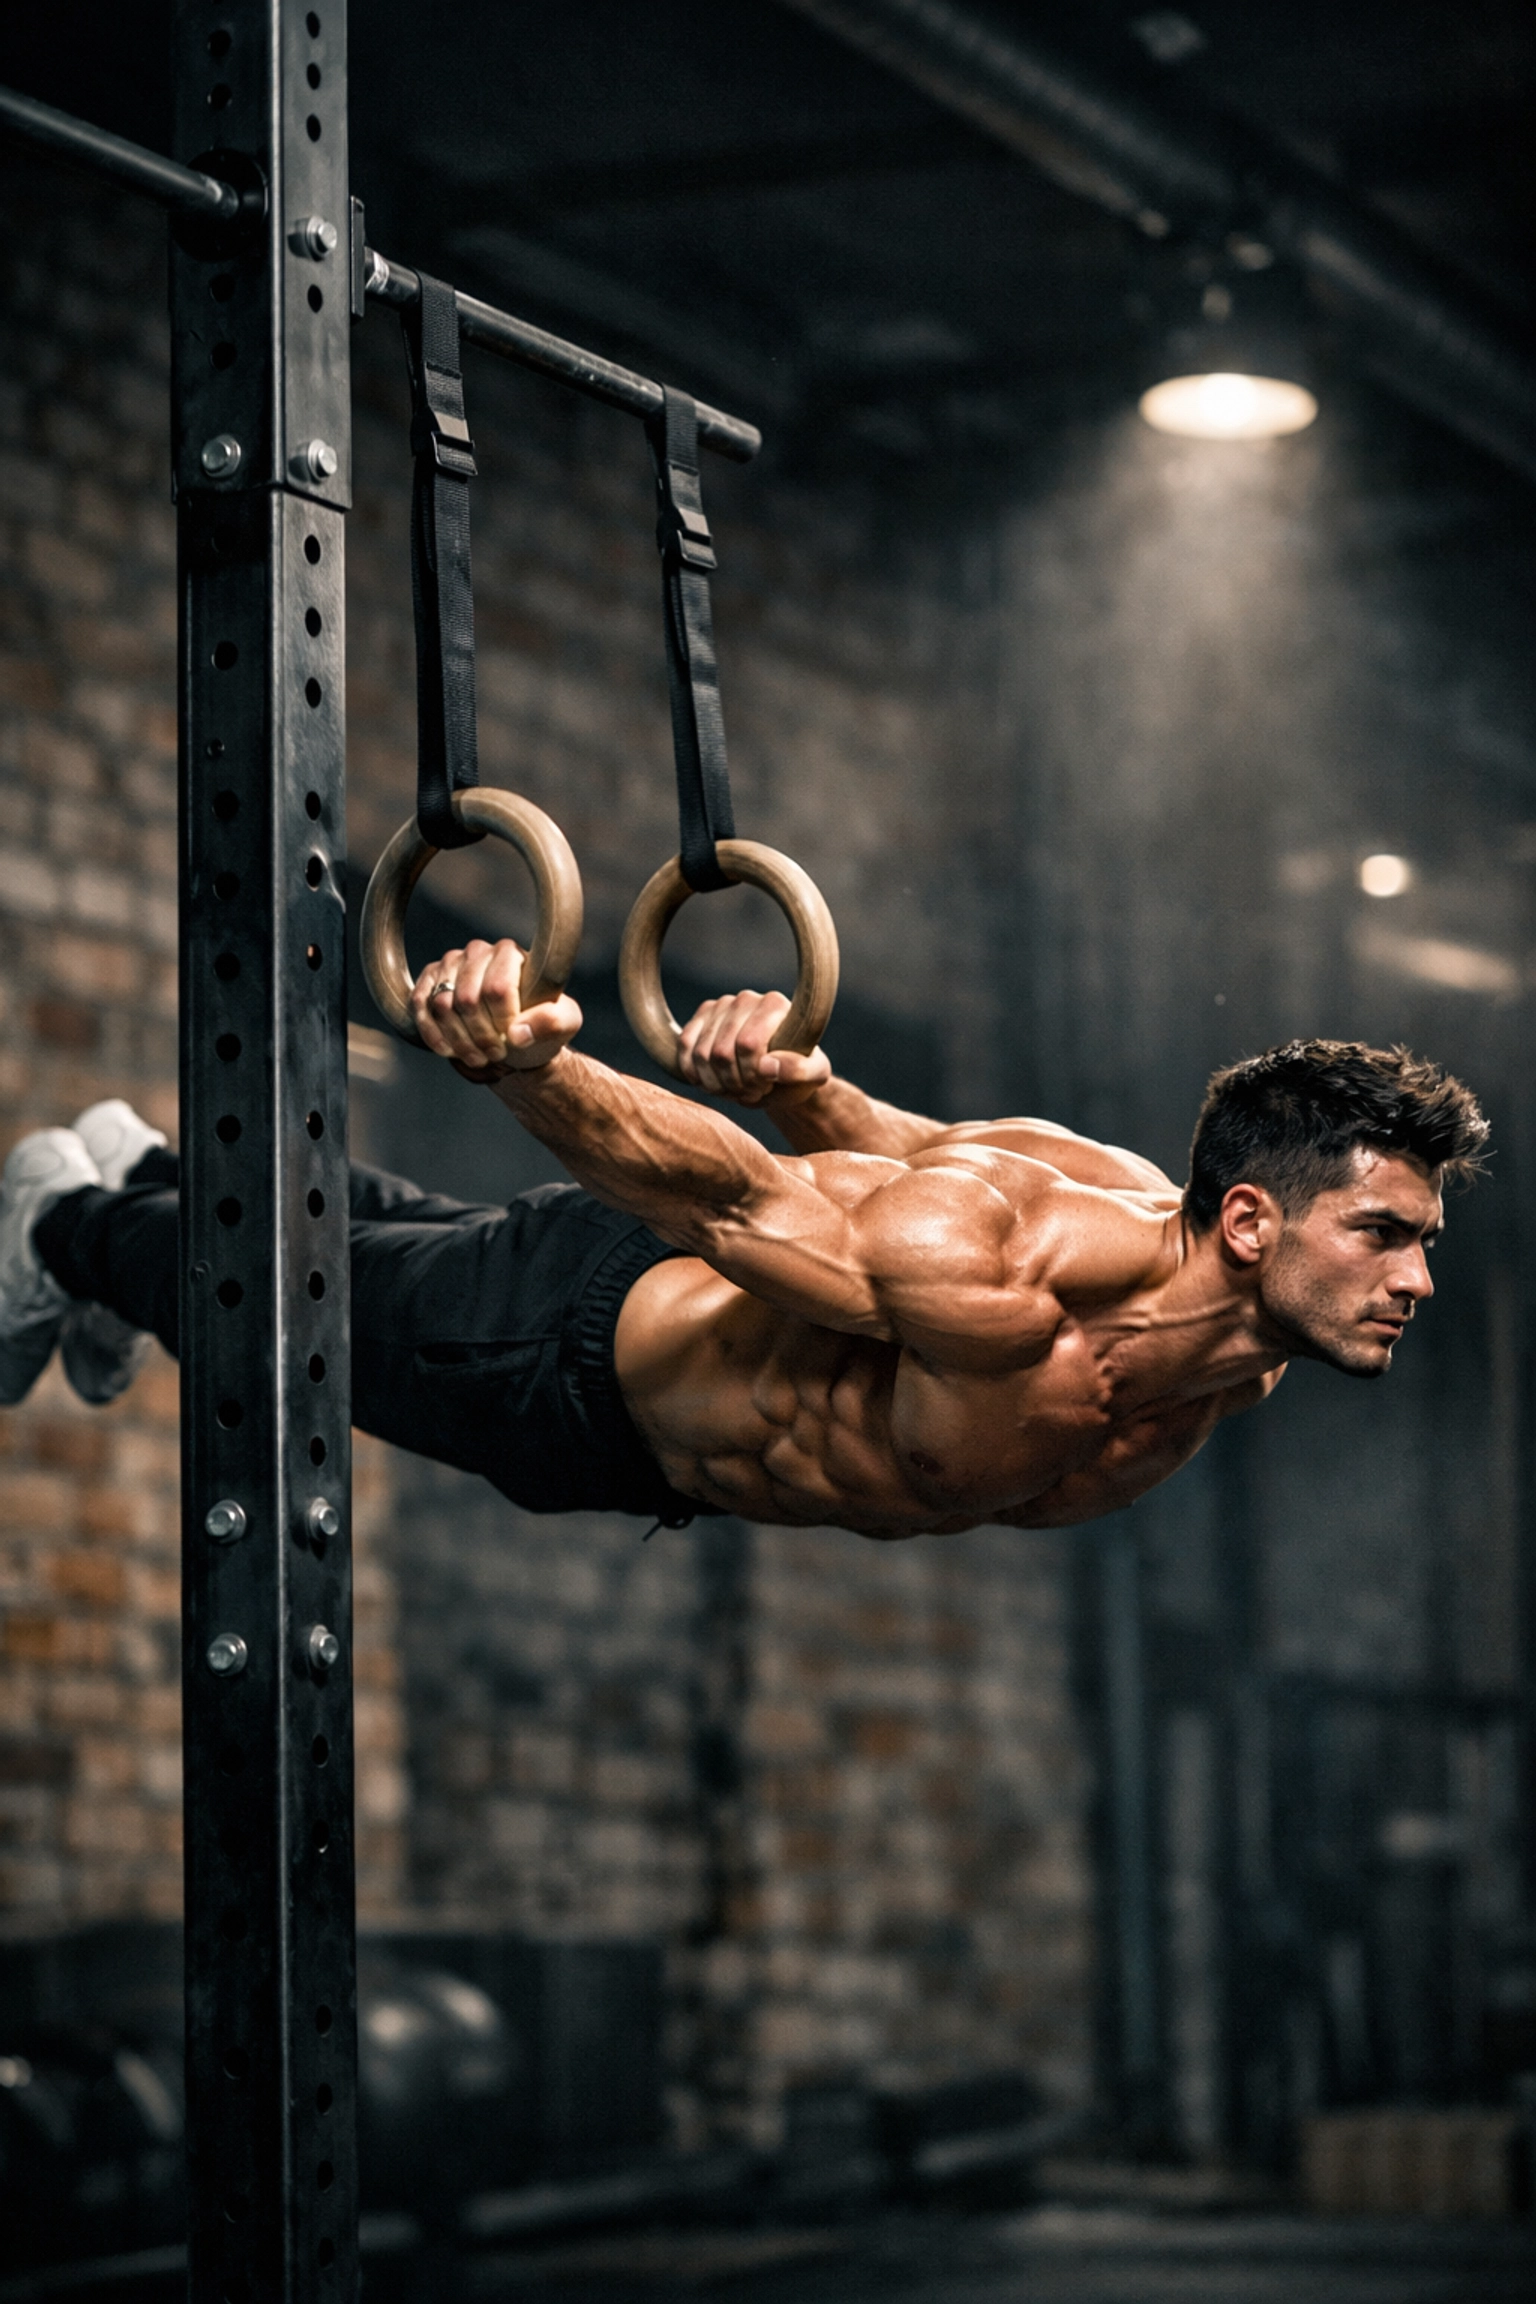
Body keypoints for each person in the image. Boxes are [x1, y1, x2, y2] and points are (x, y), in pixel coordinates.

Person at [0, 938, 1487, 1535]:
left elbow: (919, 1157)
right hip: (563, 1360)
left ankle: (146, 1176)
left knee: (384, 1248)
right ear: (1246, 1219)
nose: (1417, 1279)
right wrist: (526, 1062)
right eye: (1383, 1234)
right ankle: (63, 1227)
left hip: (621, 1404)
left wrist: (811, 1084)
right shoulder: (1016, 1289)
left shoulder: (1233, 1349)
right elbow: (732, 1203)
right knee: (280, 1323)